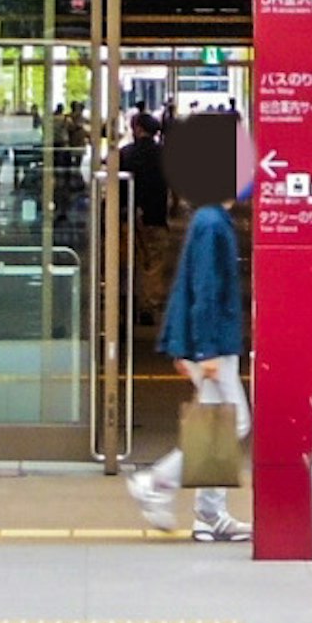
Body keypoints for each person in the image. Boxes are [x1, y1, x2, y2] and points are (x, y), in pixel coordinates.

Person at [129, 186, 249, 541]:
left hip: (204, 342)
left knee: (217, 422)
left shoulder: (208, 218)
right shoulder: (213, 222)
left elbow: (191, 286)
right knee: (232, 424)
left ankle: (210, 513)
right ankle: (156, 482)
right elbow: (206, 289)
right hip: (210, 344)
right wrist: (206, 351)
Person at [119, 109, 173, 321]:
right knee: (154, 263)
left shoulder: (125, 153)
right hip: (156, 216)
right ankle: (148, 306)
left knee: (126, 262)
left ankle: (124, 304)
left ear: (138, 129)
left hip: (127, 217)